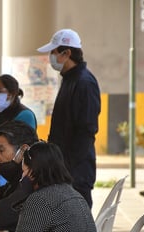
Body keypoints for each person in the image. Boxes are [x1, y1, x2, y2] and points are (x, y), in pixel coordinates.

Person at [37, 28, 101, 208]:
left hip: (76, 174)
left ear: (67, 53)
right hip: (64, 171)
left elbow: (86, 131)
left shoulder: (84, 83)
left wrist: (66, 168)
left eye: (53, 52)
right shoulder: (69, 79)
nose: (50, 56)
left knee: (76, 228)